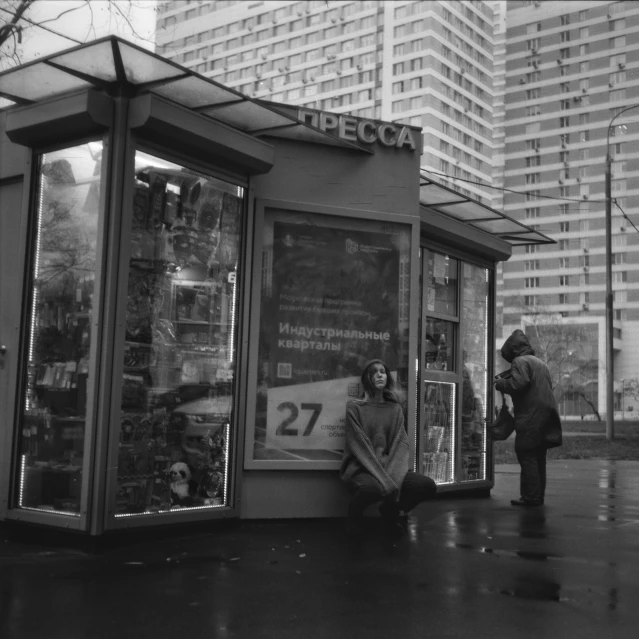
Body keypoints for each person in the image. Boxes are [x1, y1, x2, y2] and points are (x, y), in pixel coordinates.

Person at [340, 359, 437, 535]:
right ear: (367, 378)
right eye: (374, 372)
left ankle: (390, 510)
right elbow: (359, 446)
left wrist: (391, 476)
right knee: (373, 489)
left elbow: (400, 445)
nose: (379, 374)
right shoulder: (354, 407)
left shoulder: (395, 409)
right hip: (361, 467)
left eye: (383, 371)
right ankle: (353, 519)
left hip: (389, 466)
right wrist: (386, 481)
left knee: (426, 485)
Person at [494, 330, 562, 507]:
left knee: (527, 455)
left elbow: (519, 384)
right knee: (539, 457)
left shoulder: (520, 361)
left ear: (513, 350)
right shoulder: (540, 363)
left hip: (530, 416)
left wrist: (500, 384)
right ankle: (537, 496)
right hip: (547, 416)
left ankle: (530, 497)